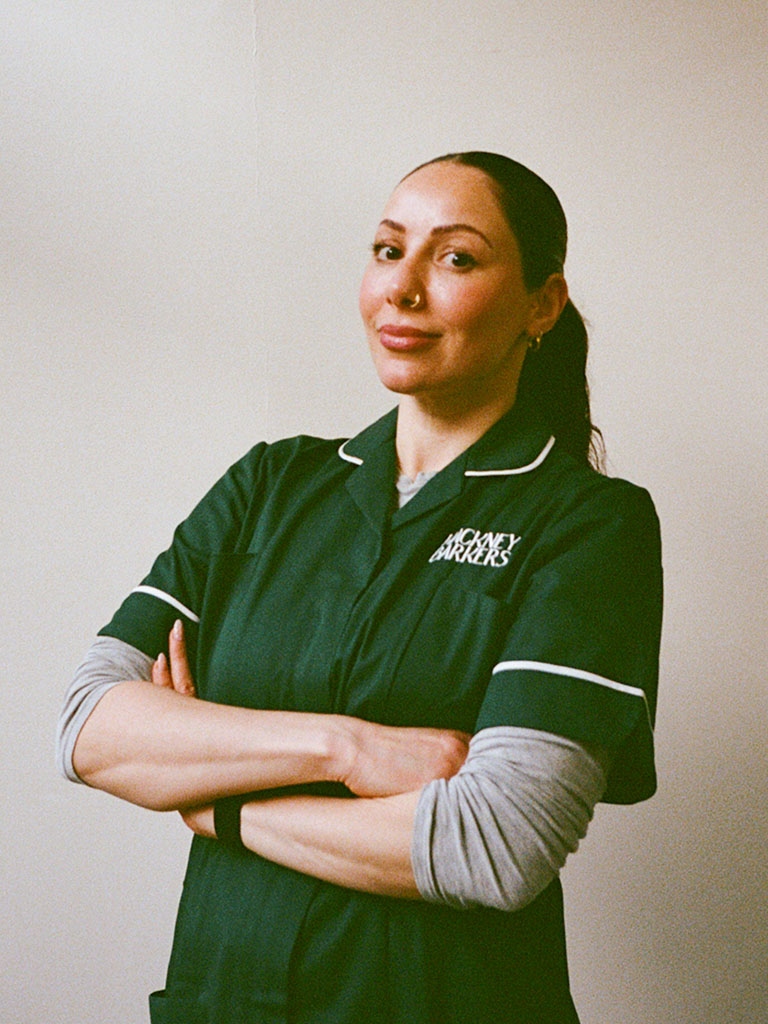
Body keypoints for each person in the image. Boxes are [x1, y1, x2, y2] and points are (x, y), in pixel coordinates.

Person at [57, 151, 663, 1024]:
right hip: (221, 1000)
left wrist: (217, 805)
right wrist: (348, 750)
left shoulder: (590, 526)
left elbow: (493, 846)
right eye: (387, 250)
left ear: (542, 303)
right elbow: (89, 727)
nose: (404, 289)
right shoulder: (270, 486)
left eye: (456, 258)